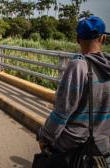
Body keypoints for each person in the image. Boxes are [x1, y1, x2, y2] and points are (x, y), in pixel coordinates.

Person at [35, 16, 110, 166]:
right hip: (103, 148)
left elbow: (63, 111)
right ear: (103, 39)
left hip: (73, 147)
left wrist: (44, 136)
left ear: (77, 39)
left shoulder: (78, 66)